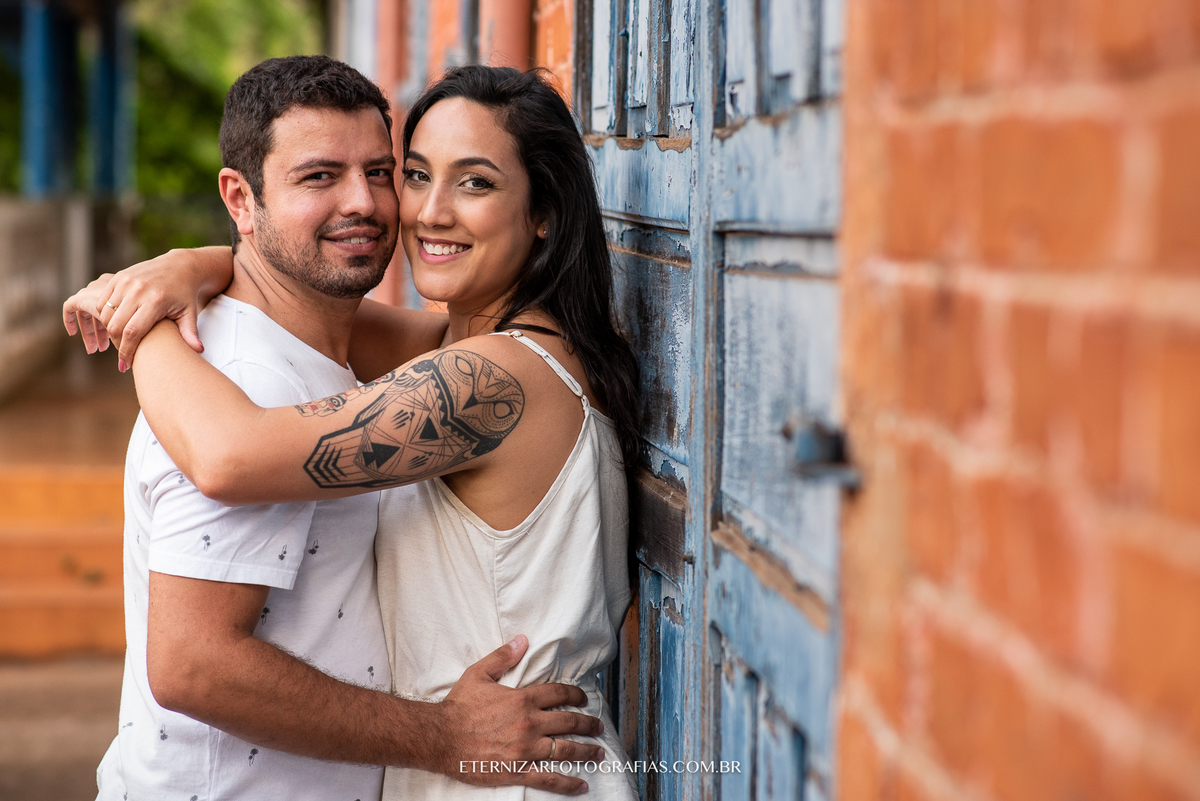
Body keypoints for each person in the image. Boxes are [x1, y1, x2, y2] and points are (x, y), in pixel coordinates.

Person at [66, 57, 607, 801]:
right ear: (241, 198)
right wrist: (188, 270)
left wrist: (146, 324)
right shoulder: (412, 352)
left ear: (544, 211)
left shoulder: (488, 377)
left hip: (515, 763)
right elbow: (192, 663)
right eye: (416, 175)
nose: (411, 209)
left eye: (382, 173)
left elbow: (228, 455)